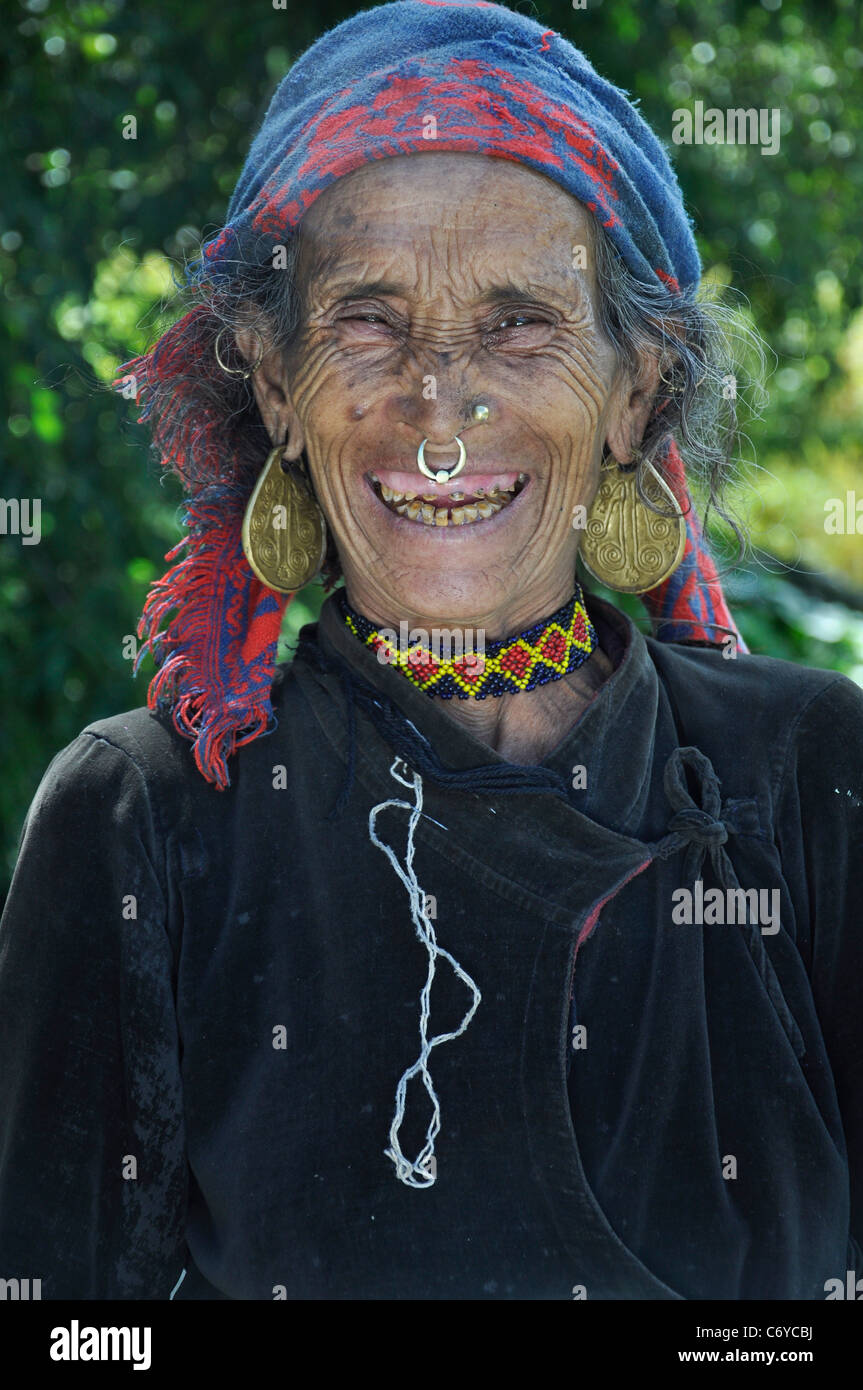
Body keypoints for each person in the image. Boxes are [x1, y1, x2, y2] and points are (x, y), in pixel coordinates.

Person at [1, 0, 861, 1301]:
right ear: (277, 387)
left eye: (521, 323)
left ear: (636, 392)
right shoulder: (149, 823)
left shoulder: (811, 778)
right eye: (367, 321)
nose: (441, 412)